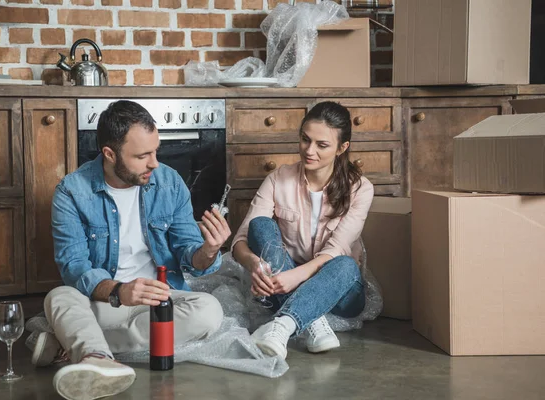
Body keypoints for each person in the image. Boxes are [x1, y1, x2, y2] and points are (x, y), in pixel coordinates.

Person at [32, 100, 230, 400]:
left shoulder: (168, 182)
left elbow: (190, 254)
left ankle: (87, 350)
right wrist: (120, 291)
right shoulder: (71, 191)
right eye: (142, 156)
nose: (154, 163)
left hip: (158, 300)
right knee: (60, 296)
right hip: (103, 302)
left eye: (155, 151)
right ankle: (88, 346)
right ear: (109, 154)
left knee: (209, 311)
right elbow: (75, 267)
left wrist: (210, 250)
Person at [232, 101, 374, 360]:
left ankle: (282, 326)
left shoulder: (360, 188)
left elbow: (336, 249)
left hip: (339, 290)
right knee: (260, 225)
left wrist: (295, 277)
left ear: (342, 148)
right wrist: (255, 265)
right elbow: (241, 240)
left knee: (345, 264)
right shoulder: (278, 178)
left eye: (322, 145)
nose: (309, 151)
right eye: (305, 140)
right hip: (280, 279)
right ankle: (312, 319)